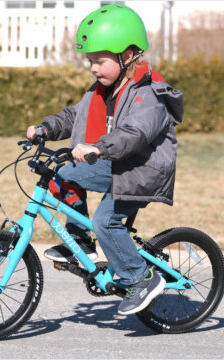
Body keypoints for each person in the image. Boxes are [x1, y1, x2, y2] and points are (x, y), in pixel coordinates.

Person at [24, 4, 184, 315]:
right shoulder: (101, 90)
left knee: (105, 221)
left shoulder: (148, 93)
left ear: (127, 55)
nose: (94, 68)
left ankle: (142, 277)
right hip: (115, 163)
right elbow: (74, 116)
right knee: (63, 173)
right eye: (90, 61)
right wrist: (46, 128)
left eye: (100, 61)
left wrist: (99, 147)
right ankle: (80, 242)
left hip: (142, 170)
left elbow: (135, 132)